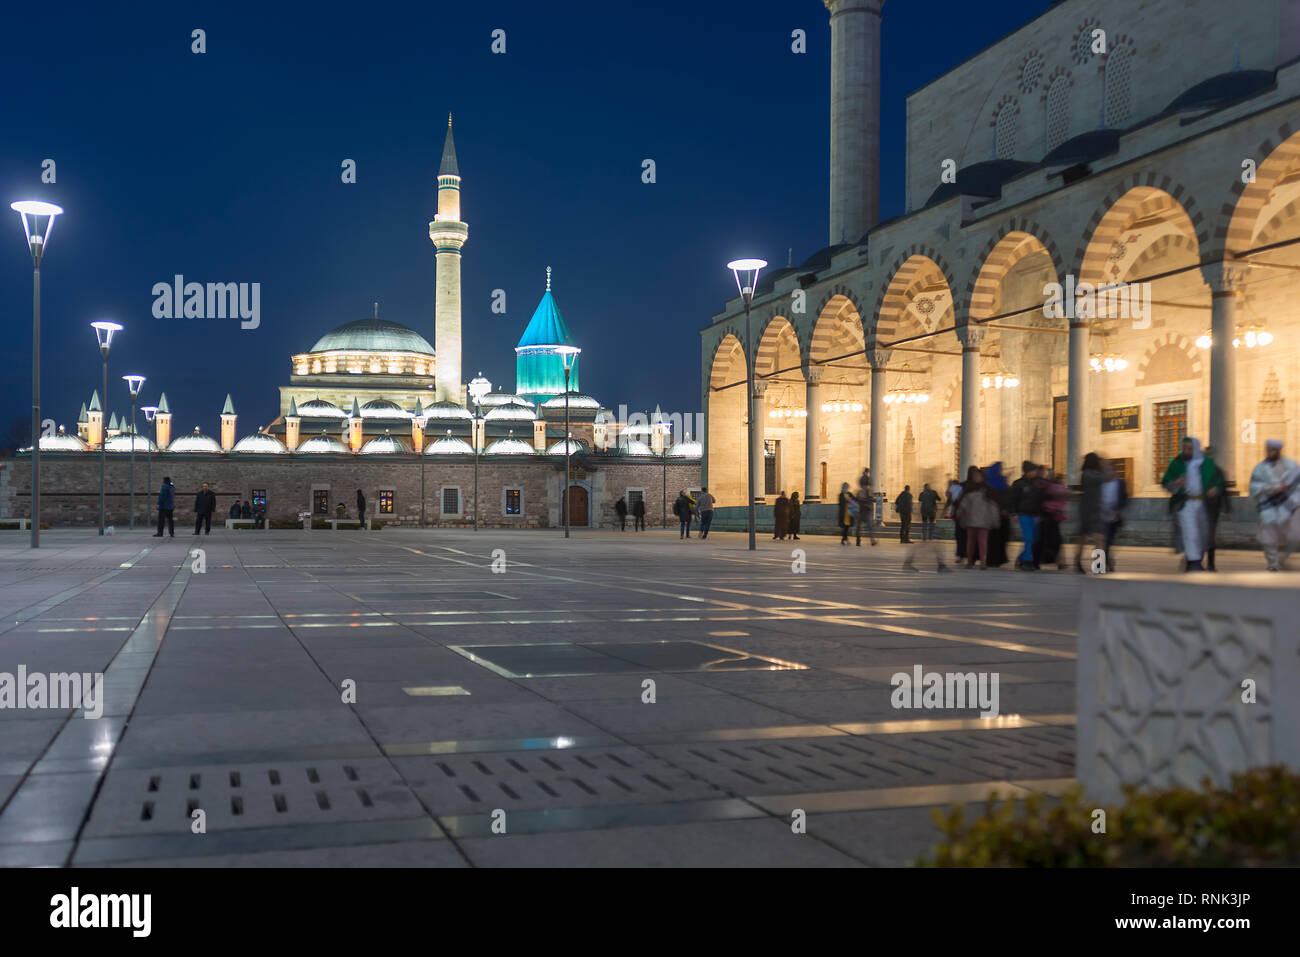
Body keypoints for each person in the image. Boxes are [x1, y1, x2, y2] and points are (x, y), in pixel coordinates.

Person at [1161, 437, 1224, 572]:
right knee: (1191, 532)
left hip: (1203, 504)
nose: (1186, 451)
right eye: (1184, 448)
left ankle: (1194, 561)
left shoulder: (1206, 463)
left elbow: (1217, 480)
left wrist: (1215, 488)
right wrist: (1176, 483)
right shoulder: (1177, 463)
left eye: (1189, 449)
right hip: (1186, 503)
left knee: (1202, 534)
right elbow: (1166, 482)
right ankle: (1194, 563)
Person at [1249, 439, 1300, 571]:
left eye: (1272, 450)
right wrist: (1274, 487)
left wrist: (1291, 495)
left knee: (1294, 536)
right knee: (1268, 538)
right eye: (1268, 449)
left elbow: (1296, 485)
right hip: (1269, 506)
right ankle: (1273, 564)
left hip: (1288, 506)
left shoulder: (1292, 466)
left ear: (1278, 451)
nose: (1270, 452)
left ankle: (1284, 558)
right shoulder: (1260, 468)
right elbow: (1255, 486)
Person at [955, 466, 999, 568]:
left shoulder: (988, 490)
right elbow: (963, 504)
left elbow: (993, 506)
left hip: (983, 520)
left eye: (978, 476)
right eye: (974, 476)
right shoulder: (968, 489)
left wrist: (994, 520)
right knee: (971, 541)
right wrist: (960, 513)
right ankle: (970, 560)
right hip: (971, 520)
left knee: (982, 541)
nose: (976, 478)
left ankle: (983, 560)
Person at [1008, 460, 1044, 570]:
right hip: (1023, 514)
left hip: (1034, 515)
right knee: (1028, 538)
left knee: (1033, 539)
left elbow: (1038, 500)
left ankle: (1022, 557)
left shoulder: (1036, 484)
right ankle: (1027, 562)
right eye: (1033, 471)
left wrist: (1039, 514)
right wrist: (1014, 513)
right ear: (1028, 471)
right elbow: (1013, 500)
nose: (1035, 473)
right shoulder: (1018, 484)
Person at [1074, 453, 1107, 572]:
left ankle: (1093, 565)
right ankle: (1084, 563)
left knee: (1095, 539)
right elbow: (1102, 478)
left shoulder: (1091, 474)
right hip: (1088, 512)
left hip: (1093, 511)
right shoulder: (1087, 474)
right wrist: (1104, 468)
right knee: (1094, 539)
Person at [1202, 446, 1230, 571]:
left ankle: (1210, 564)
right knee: (1201, 535)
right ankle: (1194, 561)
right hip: (1201, 507)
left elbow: (1224, 491)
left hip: (1213, 509)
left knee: (1210, 536)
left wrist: (1227, 508)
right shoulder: (1199, 471)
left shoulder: (1218, 471)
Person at [1099, 463, 1129, 572]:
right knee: (1103, 541)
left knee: (1109, 541)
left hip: (1114, 516)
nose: (1108, 473)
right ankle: (1102, 564)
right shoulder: (1101, 484)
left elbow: (1124, 498)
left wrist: (1118, 509)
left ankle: (1107, 560)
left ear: (1114, 471)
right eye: (1106, 471)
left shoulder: (1120, 483)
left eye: (1110, 470)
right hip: (1102, 516)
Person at [1037, 469, 1068, 569]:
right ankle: (1059, 561)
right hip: (1049, 517)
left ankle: (1059, 561)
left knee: (1053, 541)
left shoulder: (1048, 486)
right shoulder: (1048, 487)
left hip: (1051, 517)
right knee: (1054, 541)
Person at [983, 462, 1010, 567]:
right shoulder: (988, 484)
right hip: (992, 515)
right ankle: (992, 560)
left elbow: (1008, 496)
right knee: (993, 538)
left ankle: (1000, 559)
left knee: (1003, 537)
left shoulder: (1002, 481)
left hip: (1003, 516)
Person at [946, 475, 966, 561]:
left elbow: (948, 495)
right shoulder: (962, 488)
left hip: (956, 512)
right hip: (965, 513)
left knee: (959, 534)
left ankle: (960, 555)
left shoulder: (952, 488)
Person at [855, 468, 876, 546]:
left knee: (860, 527)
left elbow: (857, 500)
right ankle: (871, 540)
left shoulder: (860, 491)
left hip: (862, 510)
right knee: (868, 527)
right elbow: (871, 499)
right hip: (865, 511)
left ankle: (859, 541)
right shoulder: (867, 490)